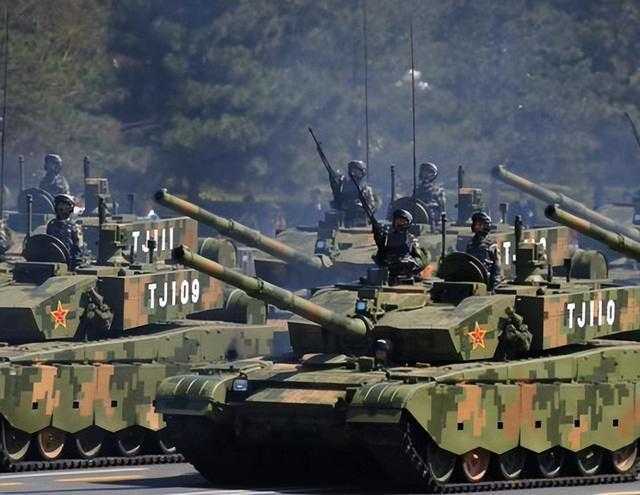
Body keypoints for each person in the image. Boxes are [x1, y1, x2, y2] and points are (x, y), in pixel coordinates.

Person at [373, 208, 427, 284]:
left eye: (402, 221)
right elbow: (381, 247)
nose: (399, 223)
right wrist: (377, 233)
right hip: (390, 266)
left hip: (406, 264)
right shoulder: (387, 236)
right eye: (397, 221)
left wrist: (412, 262)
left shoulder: (410, 238)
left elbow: (419, 258)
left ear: (407, 223)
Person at [332, 160, 379, 228]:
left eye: (356, 171)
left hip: (362, 220)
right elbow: (338, 202)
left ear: (362, 172)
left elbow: (372, 205)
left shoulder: (366, 188)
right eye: (353, 170)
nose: (354, 173)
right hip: (346, 219)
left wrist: (363, 208)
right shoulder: (343, 186)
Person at [465, 211, 502, 290]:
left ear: (486, 226)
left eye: (480, 225)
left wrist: (493, 287)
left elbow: (497, 270)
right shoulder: (470, 244)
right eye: (476, 224)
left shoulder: (492, 246)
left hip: (486, 282)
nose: (477, 227)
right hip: (472, 281)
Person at [46, 194, 83, 267]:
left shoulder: (74, 226)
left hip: (69, 260)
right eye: (60, 205)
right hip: (53, 258)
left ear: (70, 208)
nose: (62, 208)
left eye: (65, 205)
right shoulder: (52, 224)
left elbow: (78, 247)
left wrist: (75, 262)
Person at [415, 162, 446, 227]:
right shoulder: (417, 189)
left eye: (428, 172)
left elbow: (442, 207)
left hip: (433, 216)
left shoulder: (437, 189)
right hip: (419, 216)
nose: (426, 175)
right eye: (424, 172)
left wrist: (440, 219)